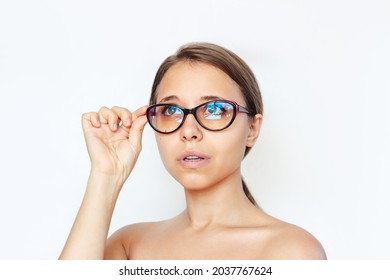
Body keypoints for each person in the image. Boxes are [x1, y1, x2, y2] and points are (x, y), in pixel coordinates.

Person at [59, 42, 326, 260]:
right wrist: (107, 176)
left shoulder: (291, 251)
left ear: (252, 129)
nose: (189, 131)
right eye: (171, 111)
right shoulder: (129, 246)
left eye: (214, 110)